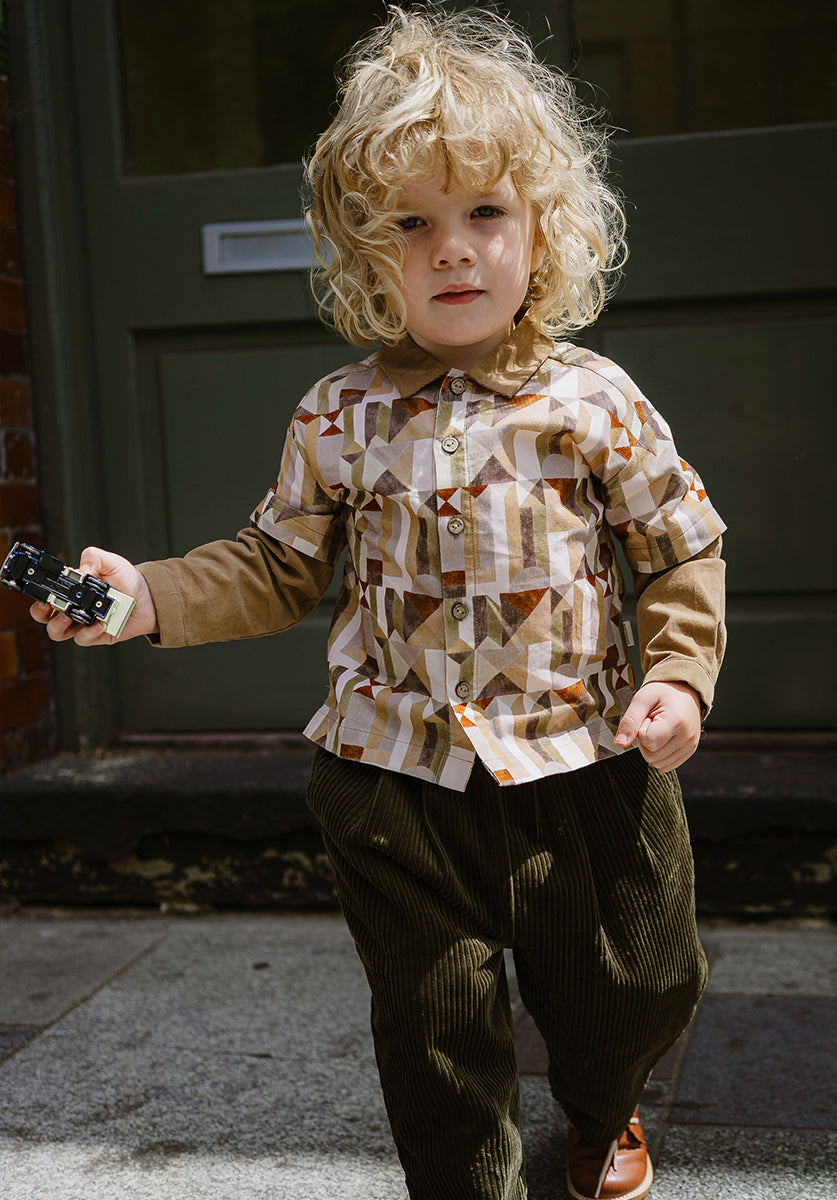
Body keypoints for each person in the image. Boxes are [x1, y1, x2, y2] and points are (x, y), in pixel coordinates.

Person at [32, 7, 726, 1198]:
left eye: (484, 213)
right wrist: (144, 597)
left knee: (635, 982)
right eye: (412, 224)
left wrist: (679, 674)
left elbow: (678, 548)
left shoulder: (592, 400)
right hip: (393, 775)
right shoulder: (337, 415)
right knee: (433, 1027)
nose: (452, 250)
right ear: (366, 256)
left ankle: (603, 1102)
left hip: (582, 760)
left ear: (545, 231)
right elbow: (274, 565)